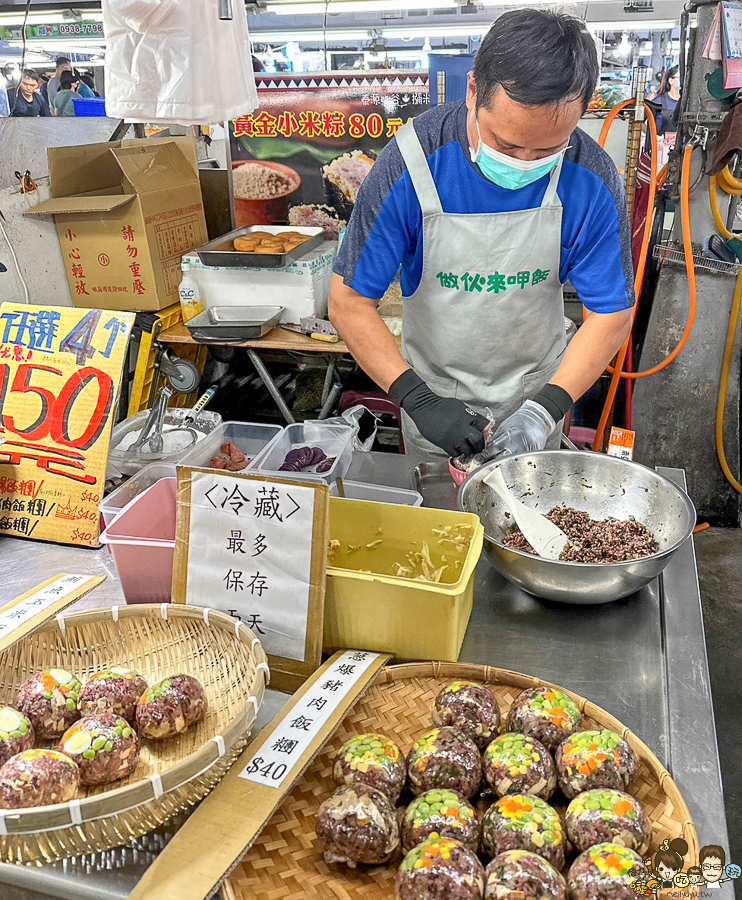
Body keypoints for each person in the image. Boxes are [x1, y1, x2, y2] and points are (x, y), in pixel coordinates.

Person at [329, 9, 634, 460]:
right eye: (507, 144)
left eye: (547, 149)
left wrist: (543, 411)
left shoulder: (591, 177)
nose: (524, 163)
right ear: (473, 90)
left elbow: (611, 314)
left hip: (539, 402)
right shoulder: (411, 164)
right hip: (435, 408)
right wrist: (417, 400)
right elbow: (348, 301)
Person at [653, 66, 680, 135]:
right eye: (680, 78)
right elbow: (640, 121)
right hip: (662, 145)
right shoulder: (658, 102)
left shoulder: (687, 102)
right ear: (671, 81)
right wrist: (653, 136)